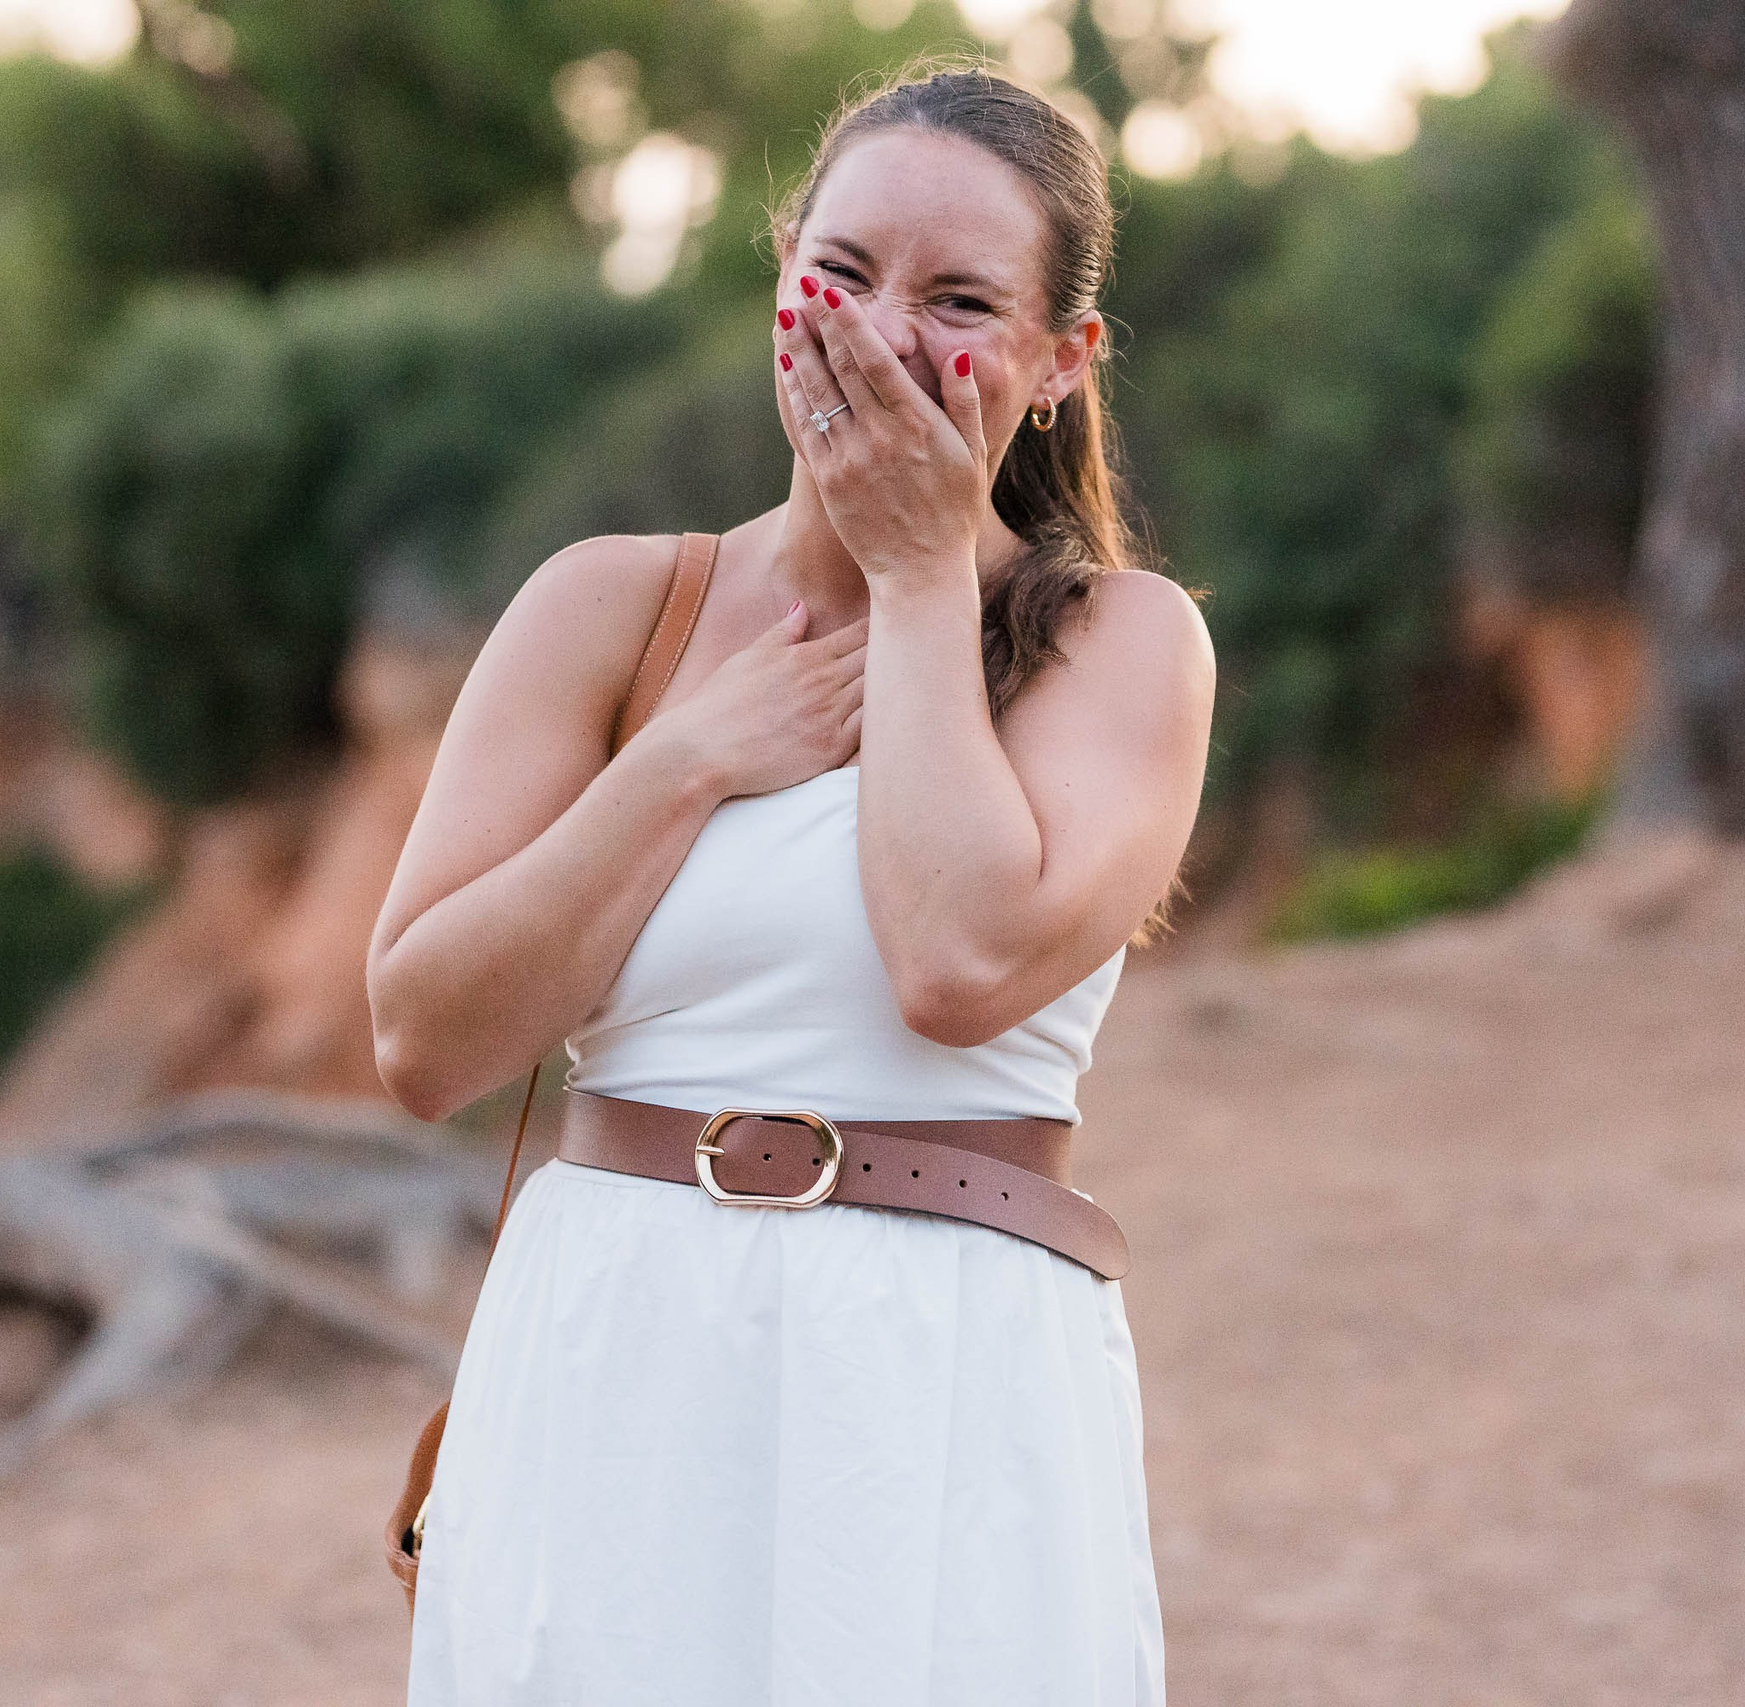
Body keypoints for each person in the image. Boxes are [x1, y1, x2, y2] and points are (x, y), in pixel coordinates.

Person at [366, 59, 1213, 1707]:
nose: (881, 335)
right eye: (841, 272)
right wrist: (684, 761)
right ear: (778, 279)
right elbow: (422, 1040)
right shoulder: (614, 608)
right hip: (612, 1353)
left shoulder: (1123, 645)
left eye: (960, 298)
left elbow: (958, 965)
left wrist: (914, 575)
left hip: (945, 1374)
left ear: (1058, 363)